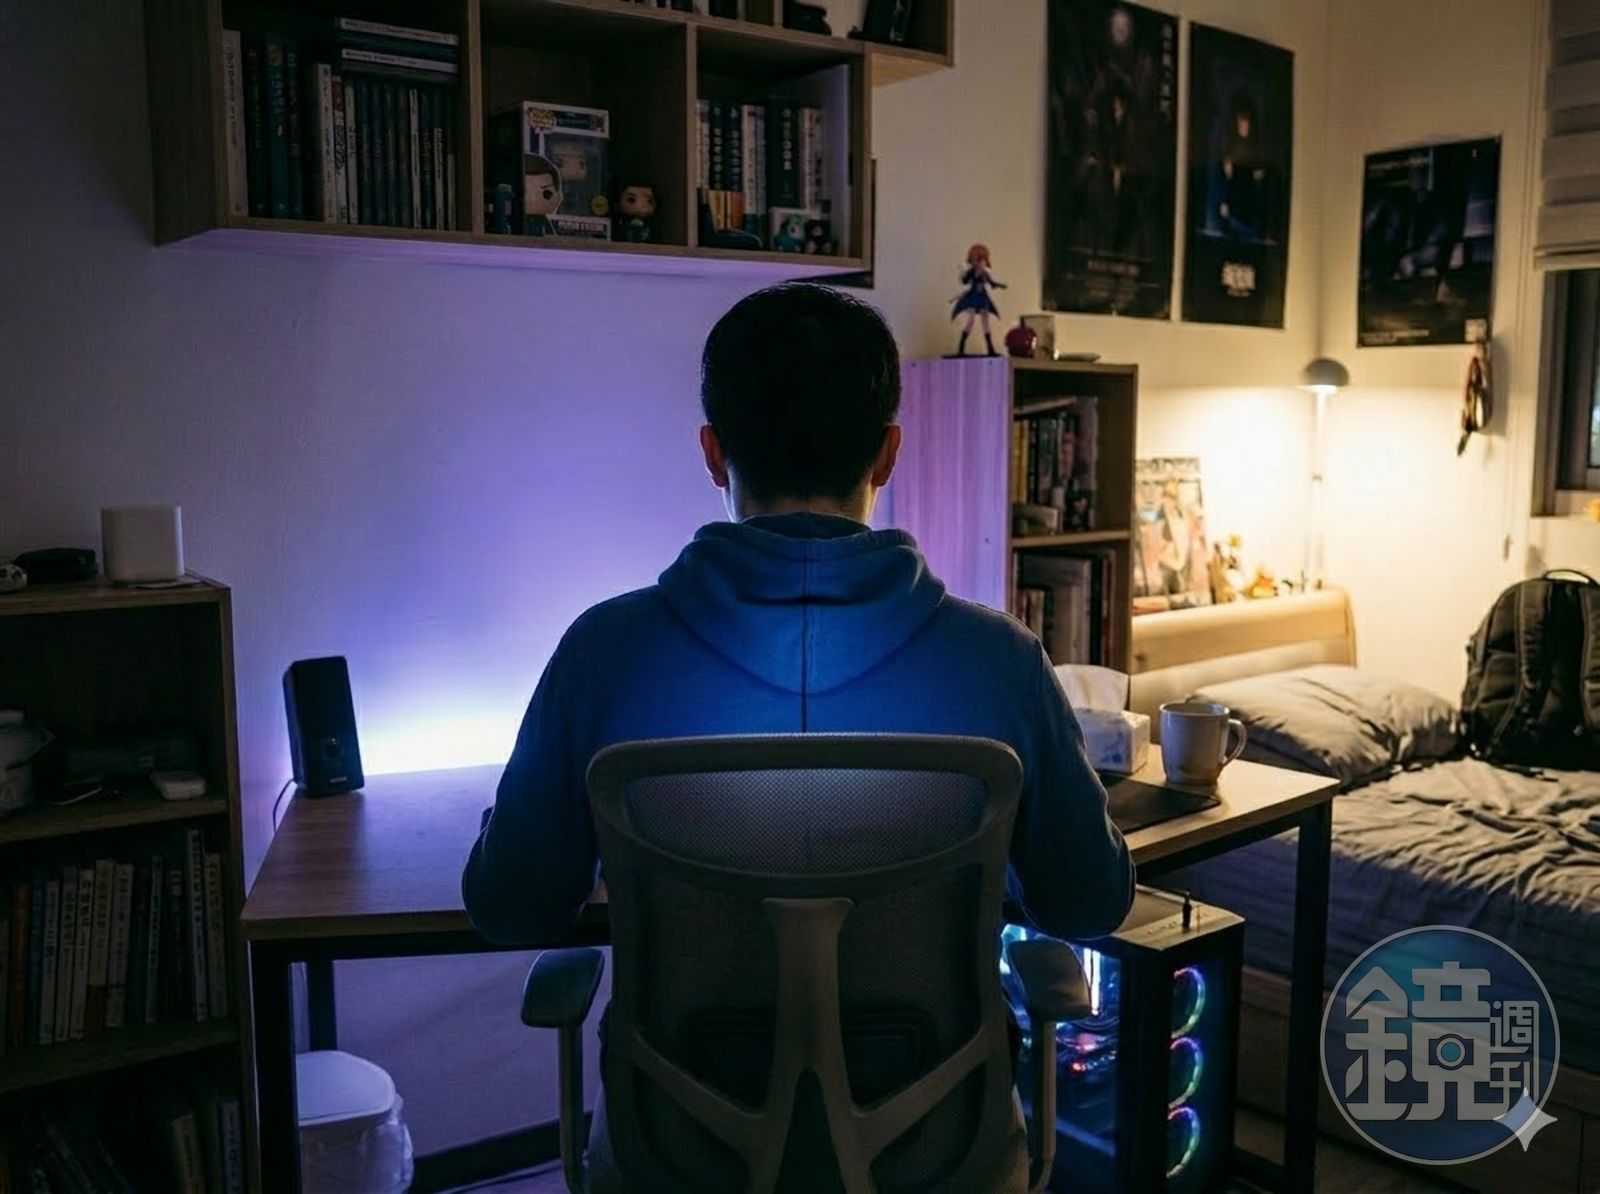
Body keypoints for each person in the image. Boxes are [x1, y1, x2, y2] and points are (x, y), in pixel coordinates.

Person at [462, 283, 1134, 949]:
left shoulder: (602, 652)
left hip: (696, 1027)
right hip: (925, 1026)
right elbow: (1088, 903)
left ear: (712, 454)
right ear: (888, 454)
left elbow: (513, 909)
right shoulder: (1002, 660)